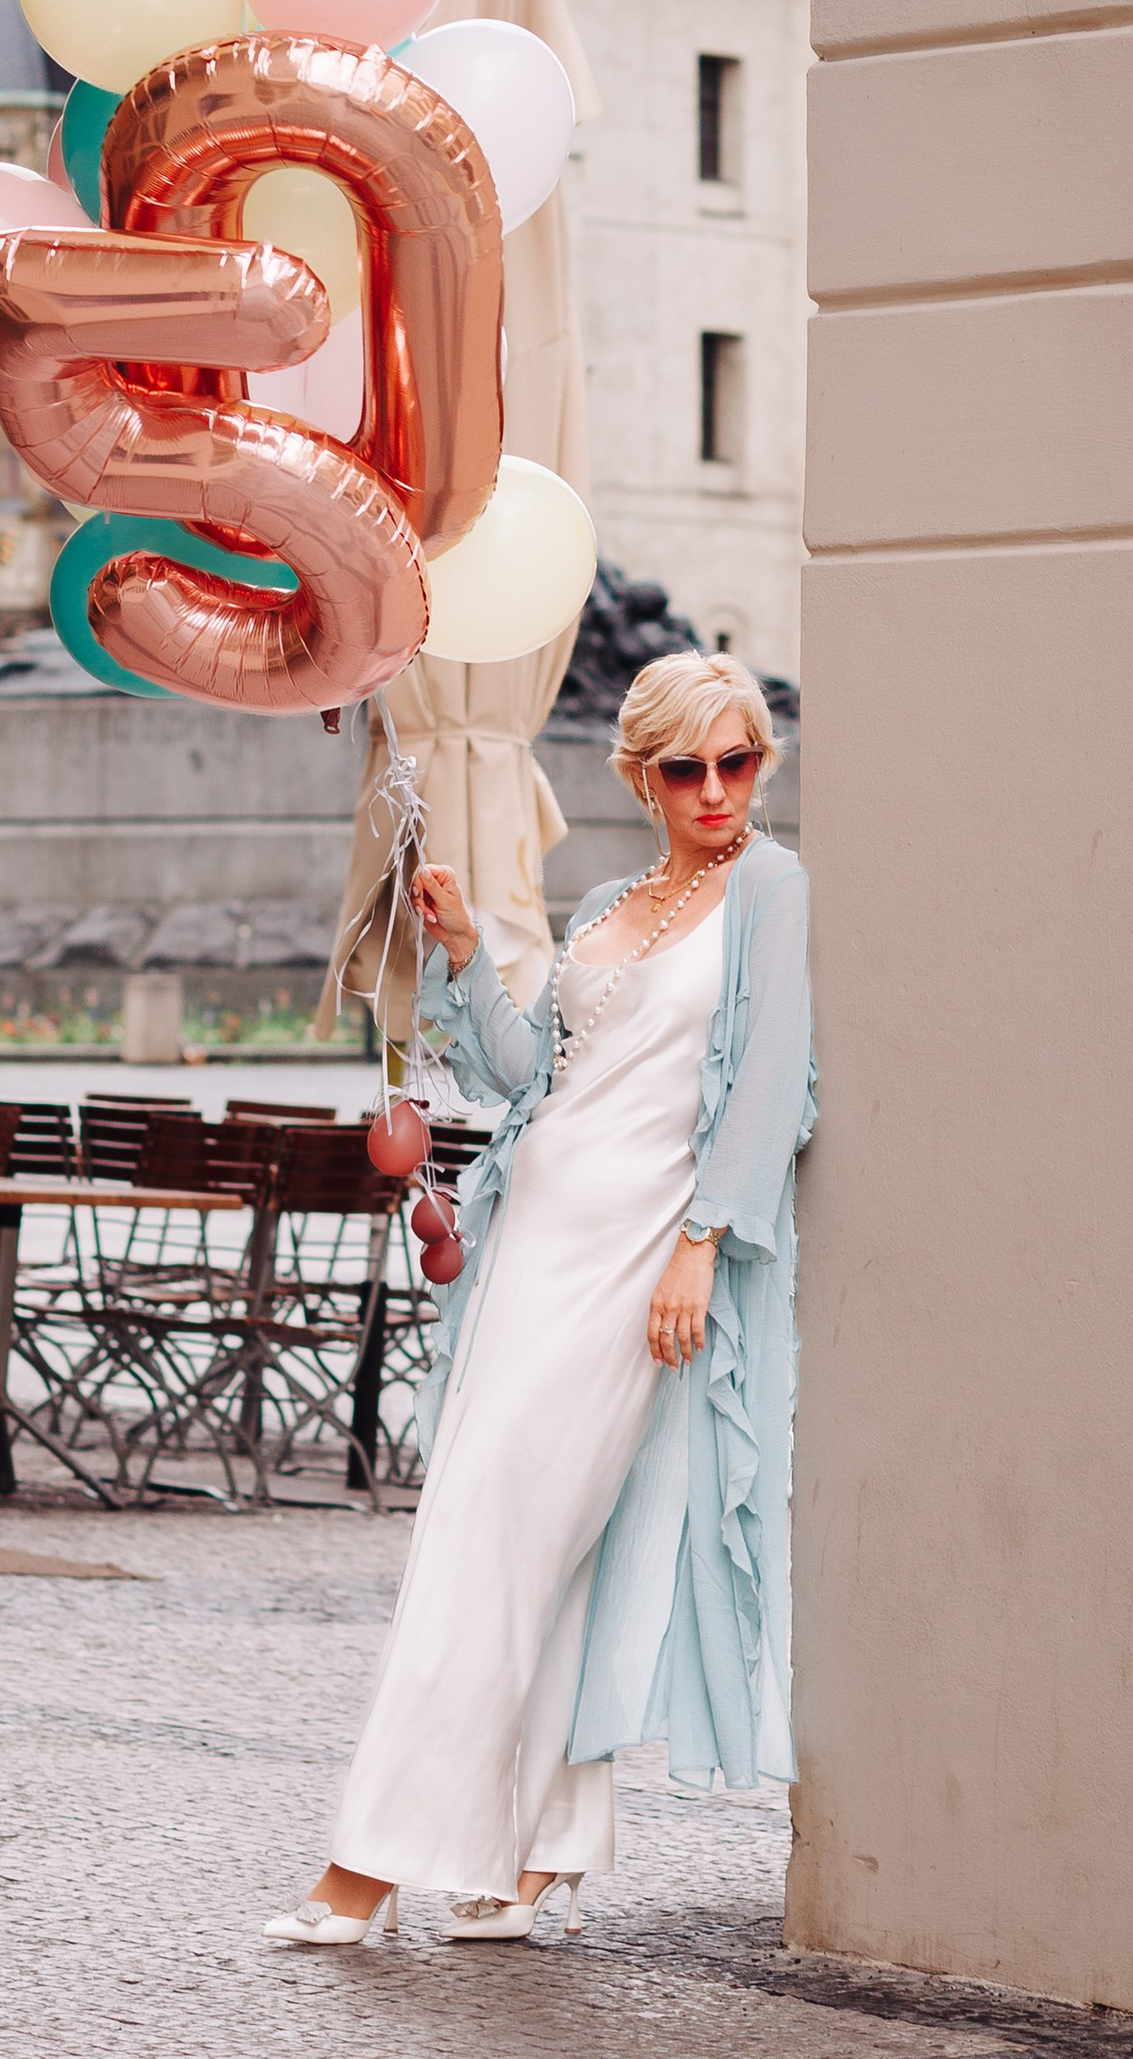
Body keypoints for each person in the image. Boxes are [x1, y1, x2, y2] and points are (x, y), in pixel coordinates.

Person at [264, 650, 815, 1947]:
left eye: (741, 761)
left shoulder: (772, 891)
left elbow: (772, 1082)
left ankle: (370, 1858)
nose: (718, 788)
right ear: (642, 775)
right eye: (688, 766)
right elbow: (532, 1078)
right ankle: (529, 1855)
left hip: (638, 1265)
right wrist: (461, 953)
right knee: (521, 1542)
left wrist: (703, 1241)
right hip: (530, 1247)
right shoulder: (618, 900)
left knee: (495, 1539)